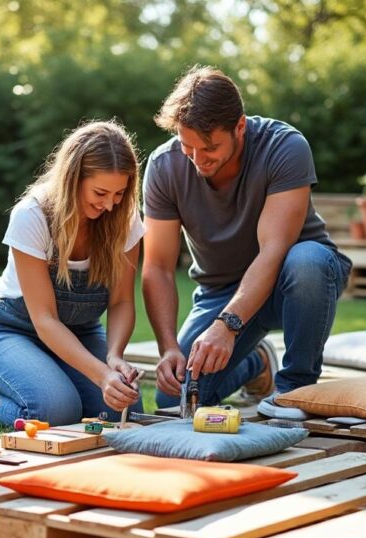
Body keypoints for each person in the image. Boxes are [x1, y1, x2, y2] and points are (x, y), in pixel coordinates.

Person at [141, 66, 352, 420]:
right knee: (174, 396)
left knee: (307, 260)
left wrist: (226, 327)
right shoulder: (164, 167)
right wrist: (167, 348)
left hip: (295, 280)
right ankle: (256, 364)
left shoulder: (285, 147)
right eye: (187, 146)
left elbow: (274, 249)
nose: (197, 159)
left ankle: (295, 389)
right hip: (221, 290)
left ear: (240, 127)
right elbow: (158, 266)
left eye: (209, 147)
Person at [0, 120, 145, 426]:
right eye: (100, 192)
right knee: (55, 411)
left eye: (119, 194)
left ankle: (50, 376)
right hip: (10, 331)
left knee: (120, 410)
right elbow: (45, 320)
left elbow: (121, 302)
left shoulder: (124, 218)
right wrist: (101, 374)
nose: (109, 205)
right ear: (72, 178)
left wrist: (114, 357)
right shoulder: (32, 216)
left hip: (80, 332)